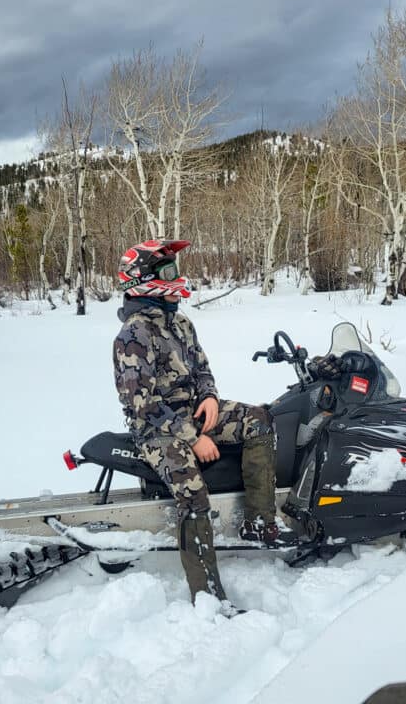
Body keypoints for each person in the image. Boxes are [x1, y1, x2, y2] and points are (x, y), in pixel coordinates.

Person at [112, 239, 292, 606]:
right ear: (144, 280)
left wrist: (209, 397)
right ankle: (208, 595)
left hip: (192, 410)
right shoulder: (134, 334)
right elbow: (141, 404)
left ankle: (258, 522)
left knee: (259, 420)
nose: (176, 277)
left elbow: (202, 369)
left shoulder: (180, 323)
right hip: (157, 428)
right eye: (167, 271)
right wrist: (192, 438)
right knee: (193, 494)